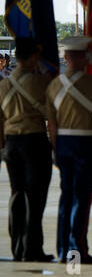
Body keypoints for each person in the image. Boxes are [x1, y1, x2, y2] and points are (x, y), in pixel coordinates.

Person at [46, 36, 92, 264]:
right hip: (86, 143)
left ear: (65, 57)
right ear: (83, 57)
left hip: (63, 143)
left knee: (66, 196)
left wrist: (54, 149)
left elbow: (51, 124)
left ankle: (63, 250)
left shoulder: (53, 85)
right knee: (82, 198)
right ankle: (77, 251)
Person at [0, 37, 53, 262]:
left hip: (11, 142)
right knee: (36, 197)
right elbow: (51, 114)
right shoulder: (38, 82)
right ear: (33, 57)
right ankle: (32, 249)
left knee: (17, 194)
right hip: (34, 141)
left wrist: (3, 145)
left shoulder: (2, 84)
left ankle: (17, 248)